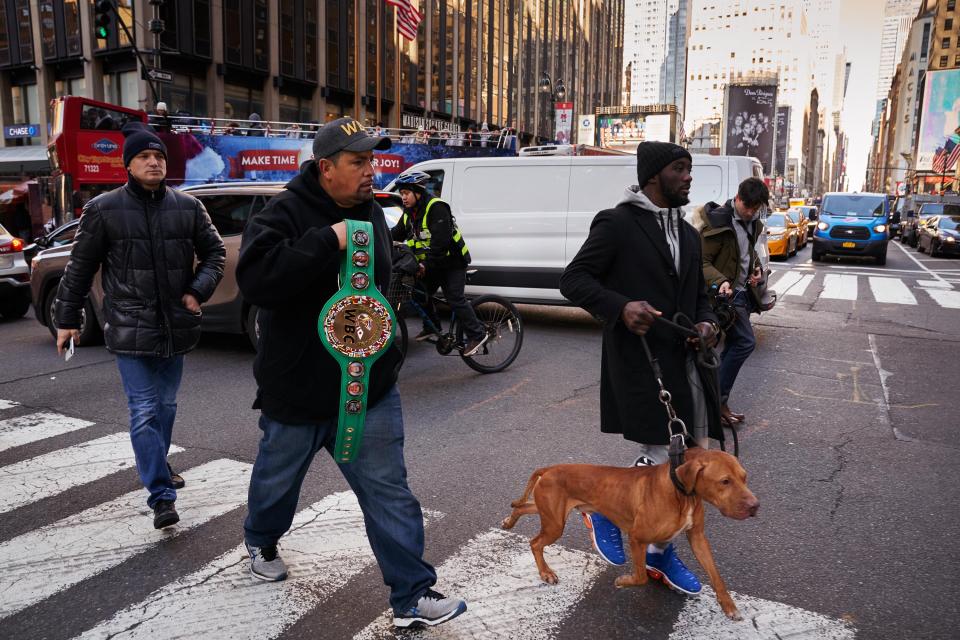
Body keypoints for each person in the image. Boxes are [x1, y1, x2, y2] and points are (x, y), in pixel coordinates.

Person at [236, 118, 467, 629]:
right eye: (358, 161)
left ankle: (412, 595)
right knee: (276, 486)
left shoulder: (373, 213)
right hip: (298, 390)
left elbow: (375, 290)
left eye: (373, 160)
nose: (371, 171)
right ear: (326, 168)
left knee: (390, 491)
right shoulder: (282, 213)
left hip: (369, 389)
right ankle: (260, 538)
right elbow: (258, 280)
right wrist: (328, 241)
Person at [559, 141, 721, 597]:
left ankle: (645, 547)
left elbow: (698, 297)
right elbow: (573, 280)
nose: (689, 177)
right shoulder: (617, 223)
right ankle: (628, 527)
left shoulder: (689, 235)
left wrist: (707, 322)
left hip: (687, 363)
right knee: (676, 464)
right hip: (641, 362)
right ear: (653, 176)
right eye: (679, 169)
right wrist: (621, 306)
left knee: (685, 459)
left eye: (690, 169)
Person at [53, 122, 226, 529]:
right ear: (128, 165)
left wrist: (196, 292)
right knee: (145, 409)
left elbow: (216, 253)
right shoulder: (104, 208)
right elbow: (79, 267)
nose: (153, 162)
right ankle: (161, 496)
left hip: (176, 325)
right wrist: (66, 319)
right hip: (130, 325)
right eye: (144, 157)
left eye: (159, 157)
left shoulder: (188, 207)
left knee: (165, 407)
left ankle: (157, 464)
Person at [390, 170, 488, 357]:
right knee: (418, 292)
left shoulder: (436, 208)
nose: (403, 197)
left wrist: (425, 265)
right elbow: (395, 234)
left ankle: (477, 334)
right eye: (401, 194)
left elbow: (440, 244)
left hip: (452, 262)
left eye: (406, 193)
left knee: (454, 298)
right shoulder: (410, 214)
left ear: (418, 191)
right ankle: (432, 326)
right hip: (434, 264)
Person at [700, 177, 769, 427]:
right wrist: (720, 282)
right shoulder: (719, 222)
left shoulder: (752, 224)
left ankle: (716, 402)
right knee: (745, 343)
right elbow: (701, 261)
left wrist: (757, 269)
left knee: (733, 346)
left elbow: (748, 254)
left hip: (743, 295)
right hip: (725, 298)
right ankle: (715, 402)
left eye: (755, 208)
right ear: (737, 198)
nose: (750, 212)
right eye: (747, 206)